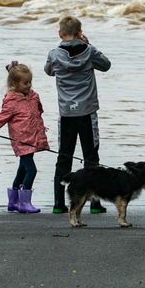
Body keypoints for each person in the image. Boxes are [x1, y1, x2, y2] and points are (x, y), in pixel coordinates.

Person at [44, 15, 111, 215]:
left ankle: (58, 202)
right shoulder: (89, 52)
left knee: (64, 157)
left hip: (66, 113)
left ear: (60, 33)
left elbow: (49, 71)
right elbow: (106, 65)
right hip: (87, 112)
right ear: (80, 32)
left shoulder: (54, 54)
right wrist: (89, 45)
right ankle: (95, 203)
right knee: (91, 157)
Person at [0, 61, 48, 214]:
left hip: (33, 138)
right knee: (31, 170)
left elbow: (37, 114)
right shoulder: (12, 101)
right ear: (14, 83)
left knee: (22, 170)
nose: (28, 85)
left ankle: (13, 202)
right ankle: (24, 202)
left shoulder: (33, 97)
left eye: (30, 82)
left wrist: (40, 129)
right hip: (21, 140)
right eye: (25, 83)